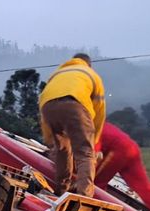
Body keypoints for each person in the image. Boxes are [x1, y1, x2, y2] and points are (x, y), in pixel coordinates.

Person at [38, 53, 105, 196]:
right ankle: (84, 195)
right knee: (85, 153)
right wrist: (94, 140)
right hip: (74, 104)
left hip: (48, 106)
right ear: (89, 64)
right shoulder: (91, 74)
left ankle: (61, 190)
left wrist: (49, 137)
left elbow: (45, 99)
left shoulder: (58, 73)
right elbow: (99, 111)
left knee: (62, 150)